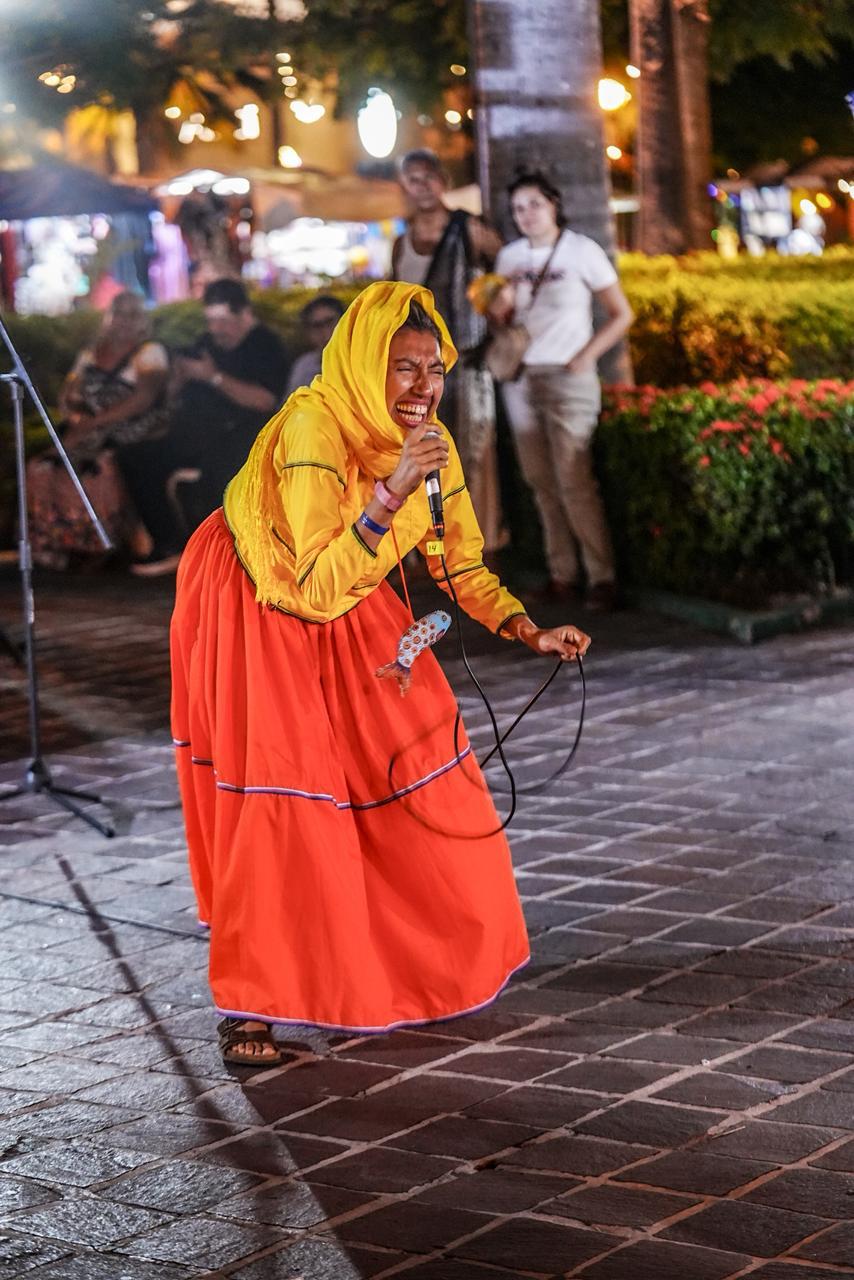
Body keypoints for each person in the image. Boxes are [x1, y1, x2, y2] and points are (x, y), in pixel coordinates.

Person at [170, 280, 591, 1065]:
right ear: (365, 363)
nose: (423, 387)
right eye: (404, 367)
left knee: (421, 754)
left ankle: (401, 965)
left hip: (347, 581)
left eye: (434, 368)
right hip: (262, 595)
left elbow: (456, 556)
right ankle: (250, 1010)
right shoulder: (312, 427)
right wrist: (393, 489)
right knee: (288, 789)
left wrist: (525, 628)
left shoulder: (427, 438)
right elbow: (312, 588)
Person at [493, 172, 633, 612]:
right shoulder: (510, 257)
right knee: (541, 482)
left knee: (574, 478)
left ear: (553, 204)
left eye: (534, 204)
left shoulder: (581, 250)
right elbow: (503, 319)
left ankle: (602, 578)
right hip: (521, 376)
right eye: (518, 208)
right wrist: (499, 305)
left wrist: (587, 355)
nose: (526, 215)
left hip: (569, 375)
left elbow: (620, 313)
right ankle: (562, 575)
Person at [118, 278, 287, 576]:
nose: (217, 329)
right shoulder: (206, 343)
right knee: (136, 457)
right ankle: (170, 544)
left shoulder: (264, 345)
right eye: (211, 321)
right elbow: (174, 394)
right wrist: (179, 379)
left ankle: (221, 554)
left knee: (219, 467)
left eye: (223, 321)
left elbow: (265, 400)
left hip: (242, 433)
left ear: (244, 314)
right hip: (192, 432)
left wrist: (213, 377)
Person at [393, 148, 505, 551]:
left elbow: (505, 274)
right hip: (419, 370)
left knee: (475, 451)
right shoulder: (401, 242)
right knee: (424, 453)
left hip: (469, 359)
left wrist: (496, 313)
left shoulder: (470, 229)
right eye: (412, 178)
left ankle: (481, 546)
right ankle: (431, 547)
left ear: (442, 181)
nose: (421, 186)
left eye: (428, 177)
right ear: (404, 186)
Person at [27, 291, 169, 570]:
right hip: (86, 429)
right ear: (109, 317)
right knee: (41, 467)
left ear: (142, 320)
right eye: (119, 313)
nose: (124, 321)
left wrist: (97, 421)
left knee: (99, 469)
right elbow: (70, 390)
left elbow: (144, 398)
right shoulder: (91, 353)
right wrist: (76, 415)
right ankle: (55, 544)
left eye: (132, 315)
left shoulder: (150, 352)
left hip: (128, 432)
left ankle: (101, 545)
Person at [284, 295, 346, 396]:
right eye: (317, 326)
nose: (325, 332)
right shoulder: (303, 367)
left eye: (330, 322)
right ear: (308, 333)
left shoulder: (364, 358)